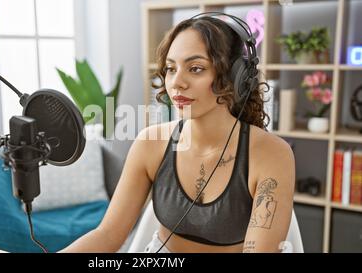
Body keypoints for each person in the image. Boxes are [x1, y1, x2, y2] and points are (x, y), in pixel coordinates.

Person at [59, 14, 295, 253]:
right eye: (171, 68)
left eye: (195, 68)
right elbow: (108, 235)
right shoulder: (150, 144)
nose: (176, 82)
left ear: (234, 78)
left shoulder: (271, 153)